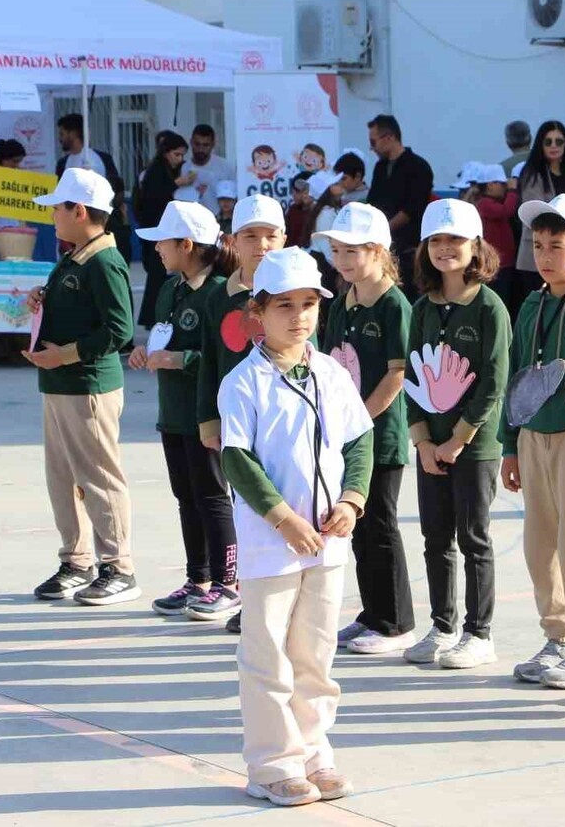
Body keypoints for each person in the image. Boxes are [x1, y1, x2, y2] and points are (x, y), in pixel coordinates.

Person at [218, 246, 373, 808]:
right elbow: (237, 458)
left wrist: (352, 501)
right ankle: (271, 763)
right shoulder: (244, 383)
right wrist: (281, 518)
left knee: (314, 652)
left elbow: (359, 439)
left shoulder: (330, 372)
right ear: (258, 312)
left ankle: (314, 753)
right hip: (271, 544)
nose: (300, 316)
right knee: (267, 654)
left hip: (328, 543)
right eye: (285, 305)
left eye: (309, 304)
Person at [499, 194, 565, 687]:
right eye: (537, 245)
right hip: (533, 436)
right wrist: (508, 443)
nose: (544, 256)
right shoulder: (532, 303)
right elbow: (516, 374)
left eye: (556, 245)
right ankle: (556, 634)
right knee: (539, 542)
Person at [403, 199, 510, 670]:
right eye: (437, 241)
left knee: (474, 537)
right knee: (435, 536)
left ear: (476, 246)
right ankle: (442, 626)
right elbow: (411, 374)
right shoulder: (424, 307)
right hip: (433, 445)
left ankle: (478, 632)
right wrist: (424, 441)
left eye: (456, 240)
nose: (446, 249)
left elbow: (494, 381)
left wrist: (458, 439)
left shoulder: (489, 307)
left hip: (475, 445)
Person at [24, 168, 139, 606]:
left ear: (79, 210)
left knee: (99, 477)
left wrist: (65, 354)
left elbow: (120, 330)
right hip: (59, 383)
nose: (53, 214)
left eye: (58, 207)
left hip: (87, 385)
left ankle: (119, 567)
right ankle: (77, 560)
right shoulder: (75, 255)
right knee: (63, 478)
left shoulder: (104, 261)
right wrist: (41, 298)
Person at [128, 201, 240, 619]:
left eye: (163, 242)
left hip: (204, 414)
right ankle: (199, 578)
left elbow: (225, 357)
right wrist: (146, 353)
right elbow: (163, 339)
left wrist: (181, 361)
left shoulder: (219, 293)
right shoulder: (170, 289)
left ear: (187, 244)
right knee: (185, 497)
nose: (157, 249)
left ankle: (229, 582)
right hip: (172, 412)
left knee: (212, 497)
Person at [318, 203, 417, 655]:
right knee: (356, 526)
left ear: (378, 251)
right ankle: (372, 613)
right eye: (337, 250)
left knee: (380, 524)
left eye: (351, 251)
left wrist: (358, 419)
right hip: (345, 434)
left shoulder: (396, 304)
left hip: (380, 435)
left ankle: (396, 623)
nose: (341, 259)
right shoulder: (342, 302)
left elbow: (397, 375)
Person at [197, 194, 289, 635]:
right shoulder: (220, 296)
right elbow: (210, 361)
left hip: (285, 422)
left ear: (286, 238)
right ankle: (251, 600)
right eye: (251, 236)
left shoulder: (295, 289)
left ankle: (287, 601)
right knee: (246, 513)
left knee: (286, 507)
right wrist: (208, 419)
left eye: (271, 235)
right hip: (238, 424)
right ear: (233, 241)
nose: (262, 245)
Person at [514, 120, 565, 313]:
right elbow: (536, 207)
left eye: (559, 142)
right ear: (539, 144)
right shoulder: (532, 172)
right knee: (539, 306)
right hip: (538, 250)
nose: (554, 146)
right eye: (548, 142)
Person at [365, 115, 434, 295]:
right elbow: (372, 203)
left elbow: (412, 208)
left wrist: (383, 231)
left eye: (373, 141)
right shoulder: (380, 167)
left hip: (408, 249)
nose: (372, 148)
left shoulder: (418, 166)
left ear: (389, 137)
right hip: (382, 249)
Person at [135, 132, 191, 329]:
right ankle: (152, 318)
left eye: (182, 155)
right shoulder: (156, 171)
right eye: (177, 154)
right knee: (157, 278)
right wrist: (177, 184)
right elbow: (154, 197)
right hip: (156, 231)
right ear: (166, 153)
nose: (180, 159)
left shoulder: (165, 169)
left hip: (161, 230)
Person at [473, 164, 520, 310]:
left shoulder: (493, 202)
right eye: (501, 184)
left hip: (506, 262)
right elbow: (505, 211)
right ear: (490, 185)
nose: (504, 187)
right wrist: (513, 191)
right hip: (498, 264)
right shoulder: (484, 204)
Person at [173, 124, 236, 215]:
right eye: (197, 144)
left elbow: (235, 198)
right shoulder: (183, 168)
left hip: (218, 222)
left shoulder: (225, 167)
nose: (200, 149)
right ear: (191, 142)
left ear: (213, 145)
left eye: (205, 145)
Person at [55, 113, 120, 182]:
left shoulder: (104, 159)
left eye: (62, 134)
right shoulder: (62, 163)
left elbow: (117, 188)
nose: (60, 139)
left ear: (73, 134)